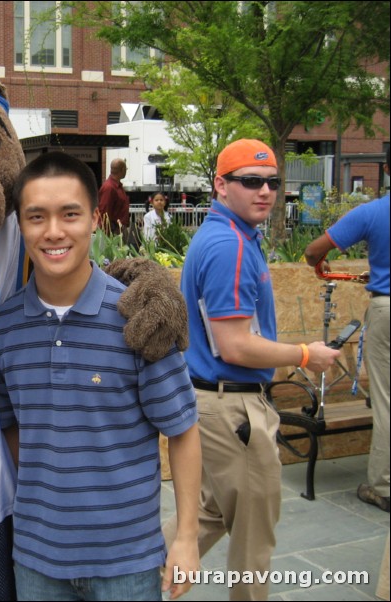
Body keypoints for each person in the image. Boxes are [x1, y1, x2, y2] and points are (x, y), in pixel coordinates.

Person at [0, 151, 202, 601]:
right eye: (36, 217)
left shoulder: (139, 318)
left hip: (128, 560)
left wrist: (186, 537)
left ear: (94, 218)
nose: (54, 232)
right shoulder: (3, 329)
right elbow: (12, 430)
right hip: (38, 560)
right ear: (19, 226)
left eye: (70, 214)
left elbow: (182, 431)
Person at [163, 139, 341, 601]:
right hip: (232, 409)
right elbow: (235, 345)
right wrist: (306, 355)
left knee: (213, 515)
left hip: (217, 405)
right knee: (254, 542)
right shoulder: (230, 246)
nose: (264, 191)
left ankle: (118, 578)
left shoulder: (228, 236)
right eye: (250, 181)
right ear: (221, 185)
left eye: (272, 182)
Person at [304, 148, 389, 513]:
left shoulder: (373, 212)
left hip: (386, 308)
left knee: (385, 401)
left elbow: (312, 252)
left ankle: (383, 486)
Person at [98, 158, 130, 240]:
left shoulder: (116, 186)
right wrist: (107, 235)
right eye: (125, 169)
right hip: (114, 231)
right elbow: (104, 212)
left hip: (118, 229)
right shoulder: (109, 187)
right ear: (122, 169)